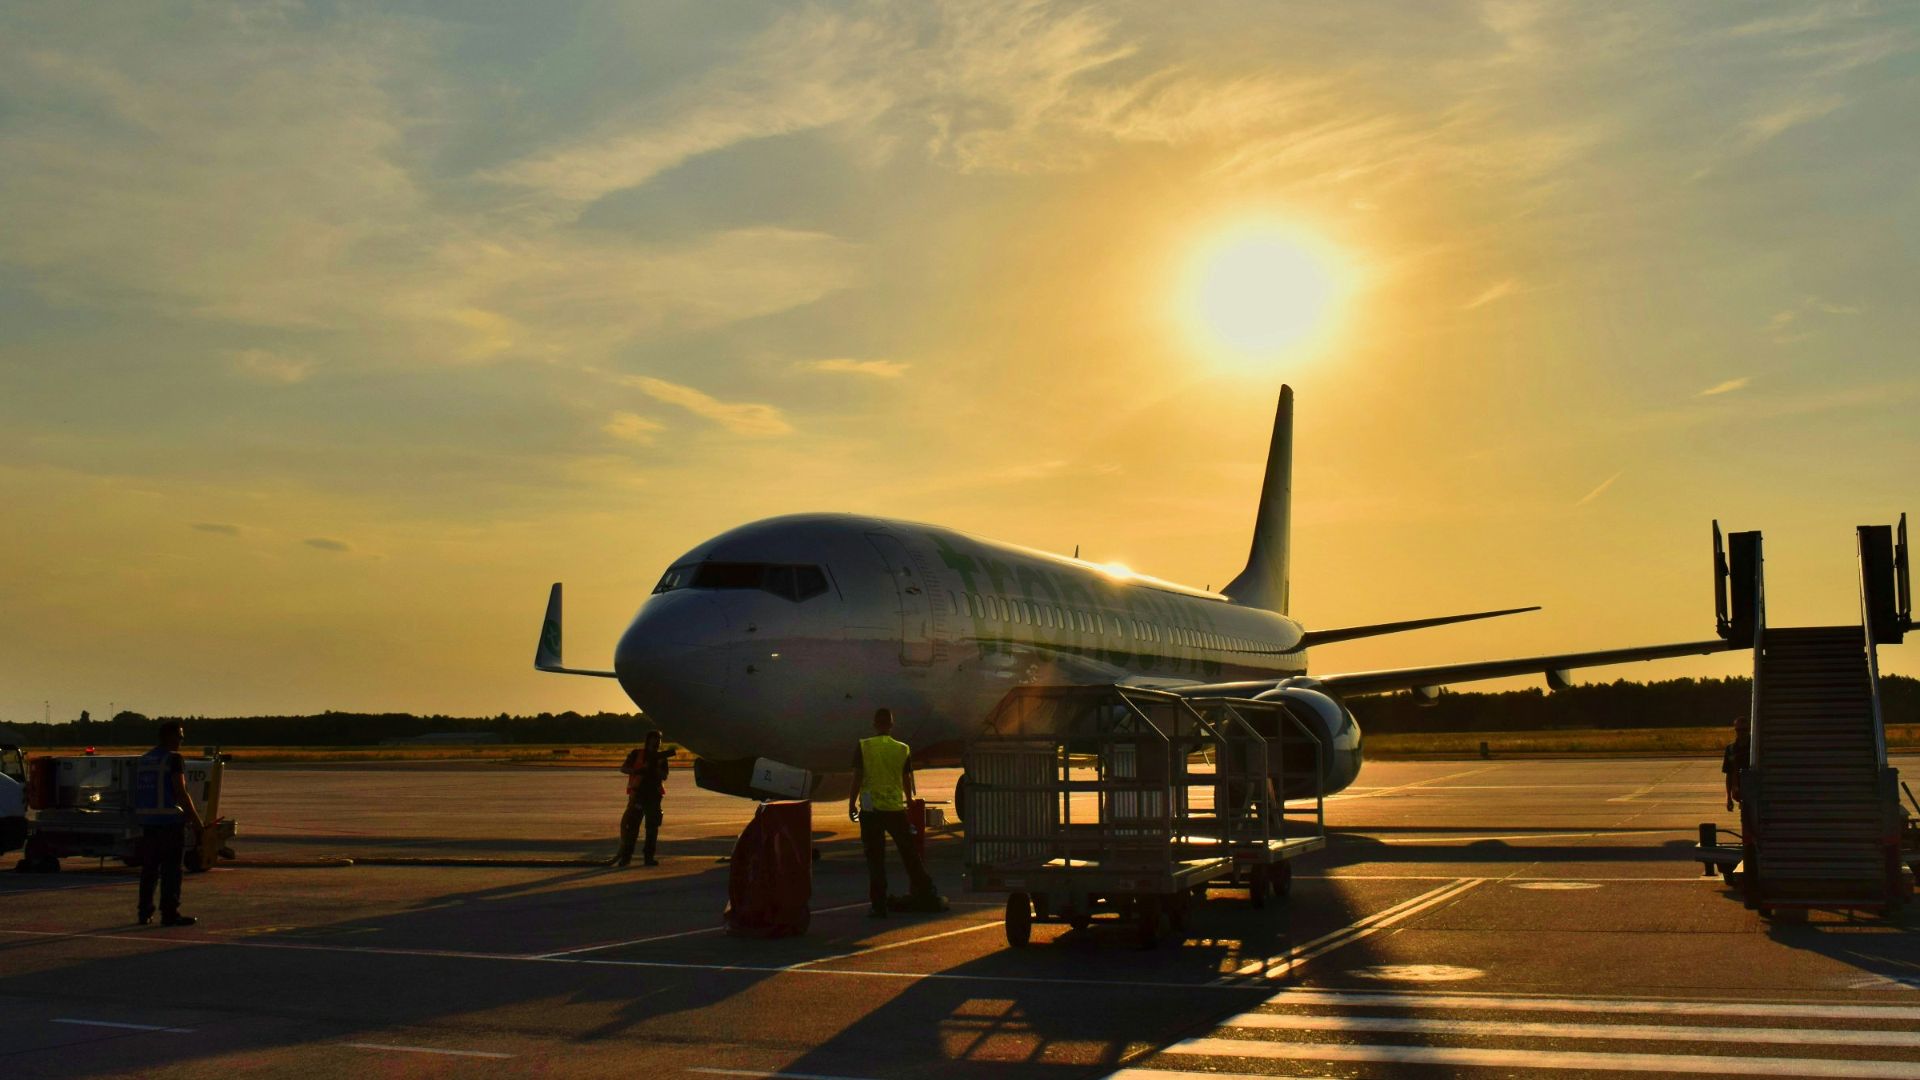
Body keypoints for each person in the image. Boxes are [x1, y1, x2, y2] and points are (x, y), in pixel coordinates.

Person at [849, 708, 937, 917]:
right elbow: (906, 778)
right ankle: (926, 892)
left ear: (874, 724)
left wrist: (851, 803)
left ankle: (879, 906)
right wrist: (909, 800)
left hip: (871, 811)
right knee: (909, 855)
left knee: (876, 860)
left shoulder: (864, 746)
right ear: (891, 725)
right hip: (895, 809)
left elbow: (857, 777)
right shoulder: (902, 749)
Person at [133, 720, 204, 927]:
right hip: (169, 823)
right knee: (171, 871)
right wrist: (196, 822)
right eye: (180, 736)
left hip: (148, 823)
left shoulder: (145, 760)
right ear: (170, 737)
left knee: (149, 871)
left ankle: (144, 912)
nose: (182, 740)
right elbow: (181, 792)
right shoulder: (173, 759)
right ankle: (170, 913)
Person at [616, 732, 674, 867]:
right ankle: (626, 857)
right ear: (648, 741)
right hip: (638, 795)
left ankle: (648, 857)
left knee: (652, 828)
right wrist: (639, 770)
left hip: (654, 795)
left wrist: (657, 767)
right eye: (654, 740)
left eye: (658, 740)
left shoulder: (661, 758)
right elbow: (624, 768)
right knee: (632, 828)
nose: (656, 743)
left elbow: (664, 776)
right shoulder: (637, 754)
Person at [1722, 716, 1750, 812]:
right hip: (1738, 791)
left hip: (1753, 790)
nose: (1741, 733)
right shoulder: (1731, 749)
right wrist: (1729, 798)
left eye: (1744, 730)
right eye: (1738, 730)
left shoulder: (1755, 748)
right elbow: (1729, 774)